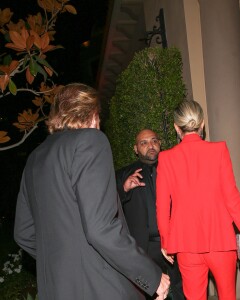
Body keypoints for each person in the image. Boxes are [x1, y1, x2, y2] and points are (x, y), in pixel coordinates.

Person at [14, 83, 170, 300]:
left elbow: (23, 233)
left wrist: (65, 260)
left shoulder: (35, 158)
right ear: (92, 115)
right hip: (100, 288)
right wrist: (151, 276)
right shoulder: (90, 141)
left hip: (56, 289)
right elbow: (101, 228)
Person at [156, 100, 240, 300]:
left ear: (177, 128)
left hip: (186, 245)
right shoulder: (219, 150)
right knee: (228, 296)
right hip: (221, 240)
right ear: (202, 124)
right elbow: (233, 200)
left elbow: (162, 206)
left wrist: (166, 241)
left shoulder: (166, 158)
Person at [116, 129, 185, 300]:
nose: (150, 146)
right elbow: (106, 203)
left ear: (159, 143)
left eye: (154, 140)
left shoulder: (174, 169)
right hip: (143, 249)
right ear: (136, 148)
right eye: (144, 143)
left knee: (180, 292)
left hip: (174, 245)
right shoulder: (123, 174)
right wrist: (124, 188)